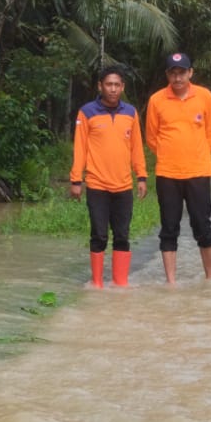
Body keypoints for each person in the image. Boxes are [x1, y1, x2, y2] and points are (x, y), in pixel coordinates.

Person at [144, 51, 211, 282]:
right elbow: (151, 137)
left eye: (182, 72)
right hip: (167, 174)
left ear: (190, 73)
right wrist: (169, 154)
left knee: (202, 225)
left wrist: (197, 155)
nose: (177, 78)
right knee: (169, 227)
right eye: (173, 73)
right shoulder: (157, 100)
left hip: (198, 172)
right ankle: (171, 282)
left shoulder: (204, 96)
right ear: (167, 75)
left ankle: (210, 278)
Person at [69, 66, 147, 287]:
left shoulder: (130, 113)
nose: (113, 89)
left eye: (117, 85)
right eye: (108, 84)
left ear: (122, 87)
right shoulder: (87, 112)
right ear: (100, 86)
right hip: (97, 185)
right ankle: (97, 284)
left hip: (124, 186)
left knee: (122, 236)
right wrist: (76, 180)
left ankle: (120, 284)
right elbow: (80, 148)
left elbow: (136, 148)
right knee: (99, 235)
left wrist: (141, 176)